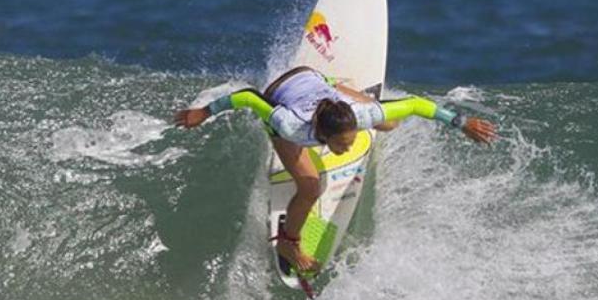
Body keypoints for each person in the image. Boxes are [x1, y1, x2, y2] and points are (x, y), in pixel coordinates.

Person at [174, 66, 498, 272]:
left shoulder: (356, 118)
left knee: (391, 122)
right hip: (281, 92)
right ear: (323, 136)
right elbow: (248, 97)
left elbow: (415, 104)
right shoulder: (291, 125)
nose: (350, 145)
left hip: (314, 78)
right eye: (342, 144)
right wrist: (204, 112)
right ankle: (289, 241)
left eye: (351, 139)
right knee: (311, 186)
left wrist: (462, 122)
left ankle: (336, 84)